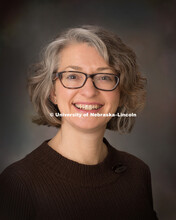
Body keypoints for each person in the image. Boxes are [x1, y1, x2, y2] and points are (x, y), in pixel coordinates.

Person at [0, 25, 158, 219]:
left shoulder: (138, 173)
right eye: (73, 76)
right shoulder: (18, 184)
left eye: (105, 77)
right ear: (52, 92)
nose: (89, 91)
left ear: (122, 92)